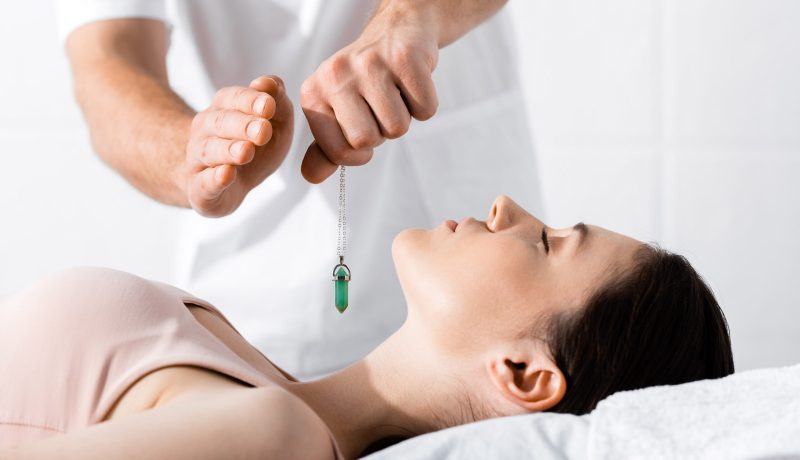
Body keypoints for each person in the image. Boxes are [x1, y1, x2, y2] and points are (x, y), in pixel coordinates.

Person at [0, 196, 734, 459]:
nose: (509, 206)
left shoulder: (276, 434)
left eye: (546, 243)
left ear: (523, 374)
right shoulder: (262, 383)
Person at [57, 0, 541, 379]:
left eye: (562, 238)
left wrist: (411, 19)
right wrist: (191, 156)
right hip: (264, 319)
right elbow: (106, 62)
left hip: (494, 313)